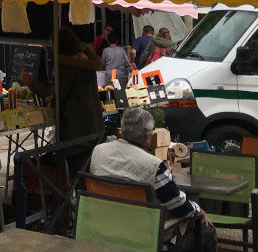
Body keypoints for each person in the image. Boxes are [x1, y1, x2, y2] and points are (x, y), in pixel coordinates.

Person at [90, 108, 217, 252]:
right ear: (148, 136)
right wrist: (198, 210)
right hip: (146, 237)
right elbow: (178, 205)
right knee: (207, 231)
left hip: (107, 229)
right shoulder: (154, 166)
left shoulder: (98, 152)